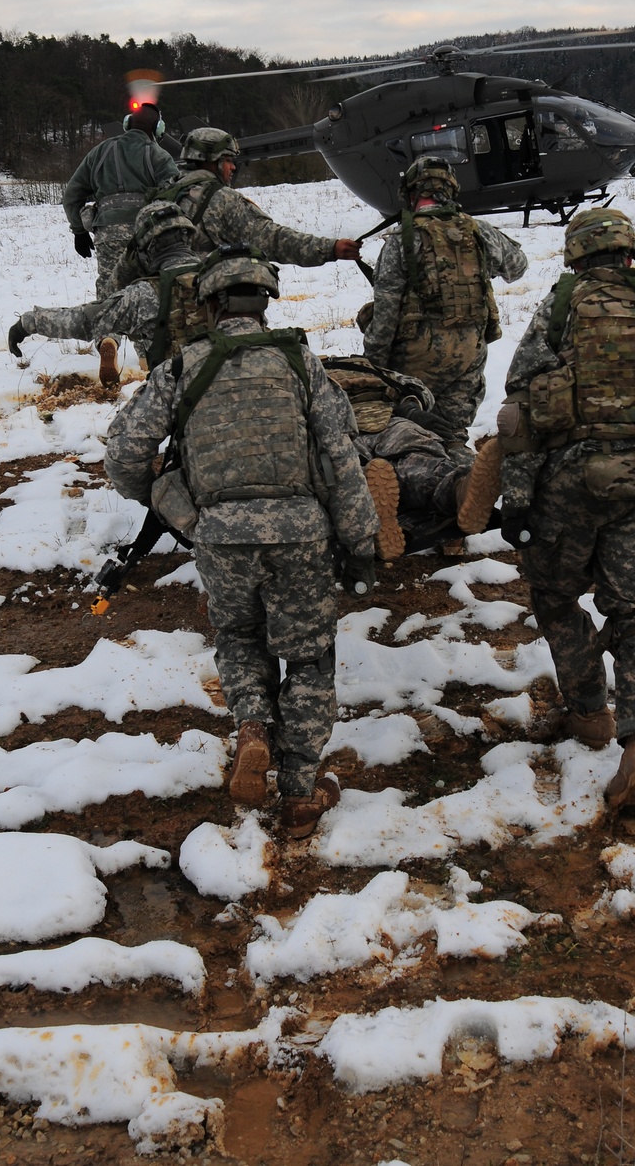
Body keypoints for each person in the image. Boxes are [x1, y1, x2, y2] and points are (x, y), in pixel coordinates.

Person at [104, 245, 379, 838]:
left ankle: (253, 728)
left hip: (221, 536)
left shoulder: (178, 368)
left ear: (209, 304)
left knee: (239, 637)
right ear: (266, 303)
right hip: (301, 532)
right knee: (308, 656)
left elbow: (124, 453)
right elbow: (341, 456)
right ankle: (300, 793)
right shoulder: (301, 363)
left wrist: (161, 497)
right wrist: (361, 539)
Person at [495, 207, 635, 814]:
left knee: (555, 597)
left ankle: (587, 714)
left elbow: (520, 409)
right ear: (631, 254)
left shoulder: (560, 310)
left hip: (570, 484)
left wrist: (519, 497)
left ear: (576, 257)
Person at [362, 155, 527, 461]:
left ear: (412, 194)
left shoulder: (401, 241)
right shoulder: (478, 231)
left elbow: (385, 316)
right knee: (453, 435)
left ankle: (425, 489)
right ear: (451, 190)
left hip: (416, 358)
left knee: (412, 437)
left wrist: (375, 373)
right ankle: (467, 485)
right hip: (469, 354)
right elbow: (517, 266)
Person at [321, 356, 504, 558]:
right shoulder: (366, 367)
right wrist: (411, 408)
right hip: (387, 421)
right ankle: (455, 490)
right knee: (420, 457)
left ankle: (373, 515)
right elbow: (414, 387)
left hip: (342, 428)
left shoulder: (305, 373)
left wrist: (411, 408)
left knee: (352, 468)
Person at [7, 199, 203, 382]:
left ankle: (111, 342)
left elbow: (84, 320)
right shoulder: (224, 274)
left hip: (183, 397)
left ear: (147, 247)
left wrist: (29, 323)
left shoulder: (144, 295)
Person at [128, 126, 361, 276]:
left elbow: (129, 262)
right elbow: (273, 240)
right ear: (214, 162)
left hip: (158, 321)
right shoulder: (223, 200)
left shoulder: (158, 200)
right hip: (201, 316)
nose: (233, 167)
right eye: (229, 160)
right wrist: (330, 248)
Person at [63, 103, 180, 382]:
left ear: (127, 124)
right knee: (148, 291)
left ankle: (109, 341)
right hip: (146, 234)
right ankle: (148, 358)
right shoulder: (159, 155)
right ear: (158, 129)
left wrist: (79, 231)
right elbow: (175, 196)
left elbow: (72, 194)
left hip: (107, 232)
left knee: (110, 290)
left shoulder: (99, 153)